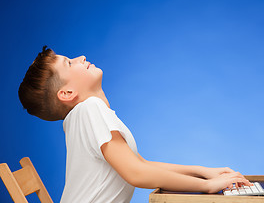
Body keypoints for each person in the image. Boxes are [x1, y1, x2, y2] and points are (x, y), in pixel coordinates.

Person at [18, 46, 252, 203]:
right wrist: (208, 186)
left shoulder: (86, 115)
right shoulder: (89, 110)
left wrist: (203, 172)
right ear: (67, 92)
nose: (80, 58)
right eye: (69, 63)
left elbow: (140, 163)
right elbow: (137, 174)